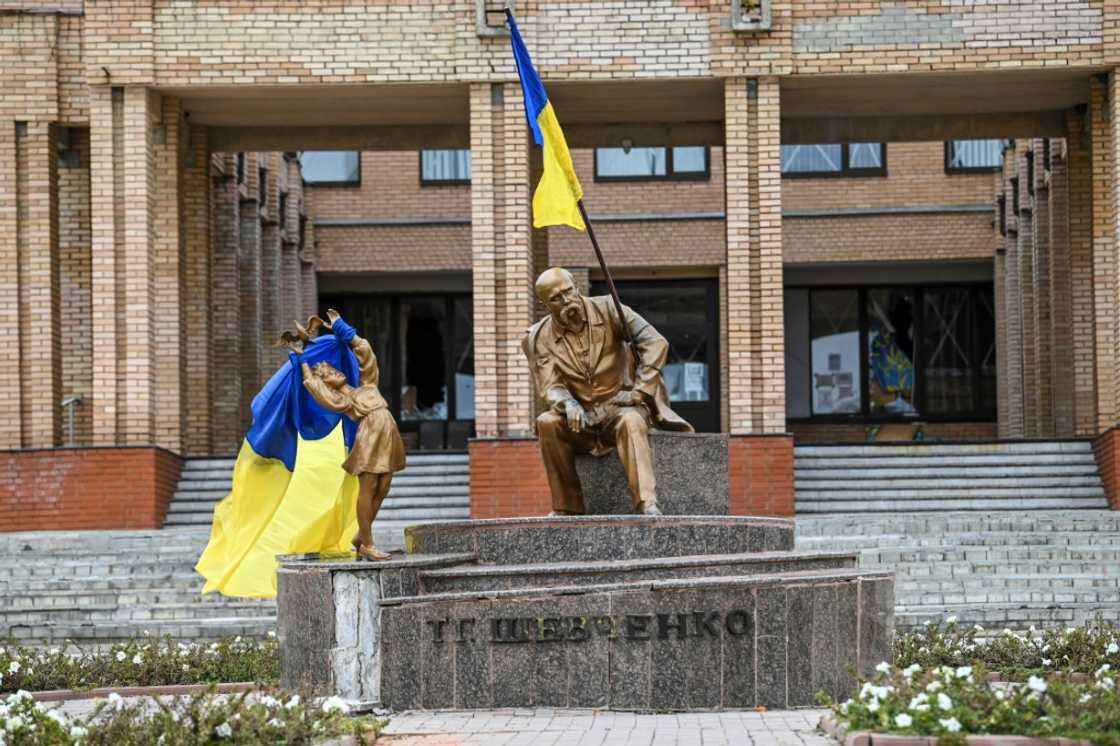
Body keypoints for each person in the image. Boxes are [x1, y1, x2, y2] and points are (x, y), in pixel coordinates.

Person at [523, 267, 692, 516]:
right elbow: (549, 386)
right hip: (580, 418)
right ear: (545, 303)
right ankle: (567, 506)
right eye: (557, 298)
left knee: (632, 420)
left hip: (619, 407)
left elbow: (655, 342)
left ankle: (646, 503)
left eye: (569, 292)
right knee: (546, 422)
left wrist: (639, 391)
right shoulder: (537, 337)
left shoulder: (611, 308)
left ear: (577, 287)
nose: (567, 300)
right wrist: (567, 403)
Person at [289, 309, 406, 560]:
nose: (334, 372)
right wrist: (304, 363)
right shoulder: (345, 400)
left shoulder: (367, 385)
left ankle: (360, 538)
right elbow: (316, 389)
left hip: (388, 433)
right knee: (369, 487)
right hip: (369, 438)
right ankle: (368, 543)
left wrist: (344, 330)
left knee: (384, 487)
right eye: (329, 373)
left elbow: (366, 353)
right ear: (329, 382)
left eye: (333, 369)